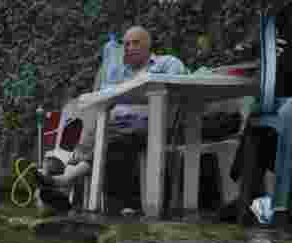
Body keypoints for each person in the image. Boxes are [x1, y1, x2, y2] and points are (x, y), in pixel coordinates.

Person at [42, 26, 186, 209]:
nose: (130, 47)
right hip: (118, 126)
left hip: (153, 124)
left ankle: (65, 179)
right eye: (126, 44)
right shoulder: (120, 73)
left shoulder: (167, 63)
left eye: (136, 42)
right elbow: (101, 95)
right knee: (95, 124)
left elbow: (179, 87)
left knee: (102, 134)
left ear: (149, 45)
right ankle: (63, 179)